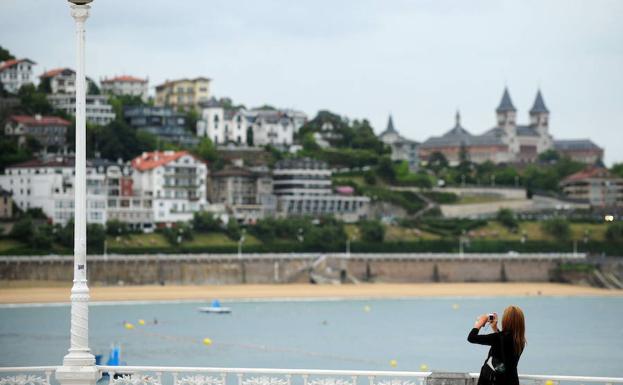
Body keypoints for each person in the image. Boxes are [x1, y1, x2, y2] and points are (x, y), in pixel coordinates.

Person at [467, 305, 526, 385]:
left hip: (493, 380)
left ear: (506, 320)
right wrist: (495, 328)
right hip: (511, 381)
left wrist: (479, 323)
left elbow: (471, 338)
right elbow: (505, 344)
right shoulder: (520, 341)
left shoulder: (498, 338)